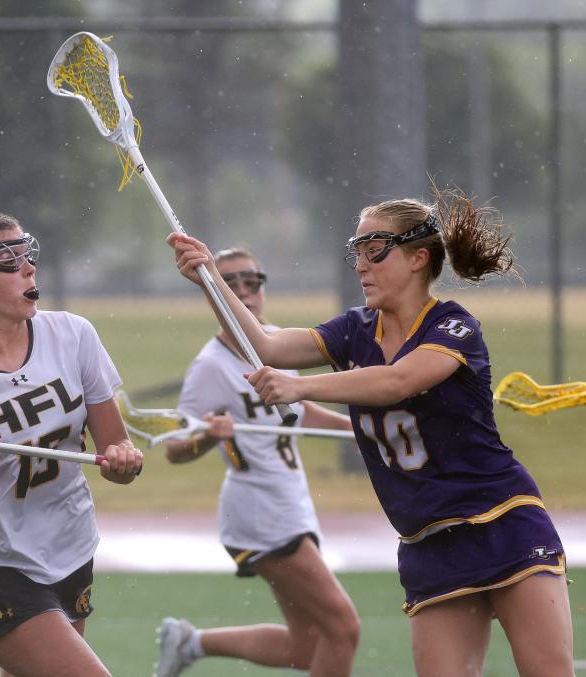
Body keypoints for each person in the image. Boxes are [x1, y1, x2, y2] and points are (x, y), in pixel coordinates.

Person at [167, 188, 573, 677]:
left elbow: (398, 381)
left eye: (374, 249)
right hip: (427, 544)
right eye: (355, 251)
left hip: (502, 522)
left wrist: (302, 388)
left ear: (418, 258)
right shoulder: (353, 331)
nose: (360, 264)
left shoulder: (453, 326)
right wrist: (209, 278)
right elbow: (269, 344)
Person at [0, 211, 143, 677]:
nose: (28, 267)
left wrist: (124, 460)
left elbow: (116, 448)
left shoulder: (74, 336)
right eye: (8, 258)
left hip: (71, 549)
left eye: (27, 252)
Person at [155, 247, 360, 677]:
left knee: (306, 646)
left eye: (253, 280)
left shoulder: (279, 344)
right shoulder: (210, 367)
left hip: (292, 503)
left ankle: (189, 643)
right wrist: (208, 437)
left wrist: (358, 430)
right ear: (213, 291)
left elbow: (301, 413)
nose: (246, 290)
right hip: (261, 512)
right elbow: (175, 448)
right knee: (343, 628)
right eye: (231, 282)